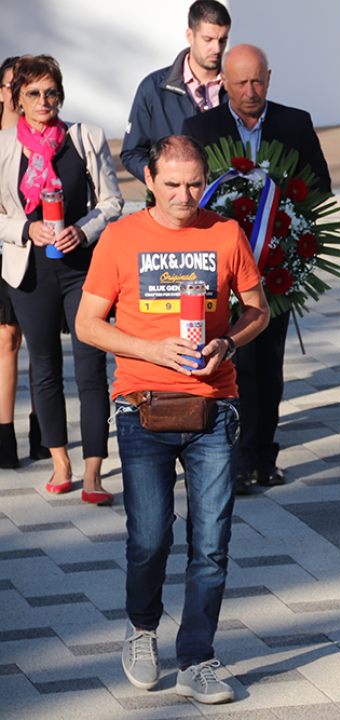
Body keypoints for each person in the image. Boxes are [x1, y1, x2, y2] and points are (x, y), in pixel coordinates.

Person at [75, 135, 269, 704]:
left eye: (194, 183)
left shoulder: (225, 233)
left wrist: (227, 344)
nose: (185, 195)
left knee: (211, 543)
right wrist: (150, 350)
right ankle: (141, 630)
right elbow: (89, 324)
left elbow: (257, 309)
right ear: (149, 182)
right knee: (150, 537)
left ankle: (198, 658)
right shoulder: (120, 238)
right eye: (172, 184)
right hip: (143, 406)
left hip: (215, 408)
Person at [183, 44, 331, 494]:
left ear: (270, 77)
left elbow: (318, 187)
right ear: (222, 83)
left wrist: (288, 221)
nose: (251, 91)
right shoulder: (200, 128)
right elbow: (188, 197)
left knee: (268, 365)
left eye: (258, 81)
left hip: (275, 269)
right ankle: (238, 456)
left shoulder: (294, 123)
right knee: (235, 363)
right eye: (241, 82)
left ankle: (264, 454)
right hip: (221, 273)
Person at [0, 55, 122, 503]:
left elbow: (112, 202)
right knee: (45, 369)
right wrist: (25, 229)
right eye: (32, 93)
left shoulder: (84, 138)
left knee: (91, 368)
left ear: (61, 94)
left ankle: (94, 471)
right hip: (28, 272)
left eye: (51, 92)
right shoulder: (3, 147)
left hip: (82, 270)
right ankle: (60, 462)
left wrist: (83, 228)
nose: (43, 101)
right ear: (17, 98)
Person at [120, 0, 231, 183]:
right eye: (208, 39)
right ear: (190, 36)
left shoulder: (236, 87)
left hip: (226, 202)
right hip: (170, 205)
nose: (217, 49)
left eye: (223, 40)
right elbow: (132, 153)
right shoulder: (153, 88)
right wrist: (164, 182)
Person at [0, 55, 46, 467]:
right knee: (5, 340)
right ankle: (3, 437)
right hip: (4, 251)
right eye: (15, 85)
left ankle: (42, 429)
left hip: (38, 254)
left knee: (38, 342)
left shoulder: (47, 137)